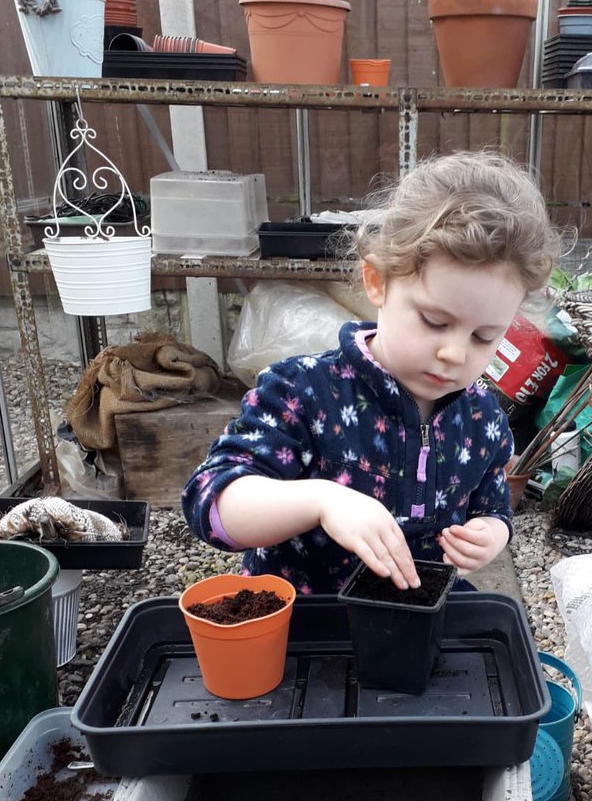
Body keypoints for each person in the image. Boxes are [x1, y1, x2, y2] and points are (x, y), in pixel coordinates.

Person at [182, 150, 560, 595]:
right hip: (306, 618)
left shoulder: (483, 419)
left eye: (484, 336)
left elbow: (492, 505)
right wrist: (321, 501)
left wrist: (491, 534)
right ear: (378, 281)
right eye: (434, 321)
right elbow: (211, 504)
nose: (454, 354)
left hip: (419, 615)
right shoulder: (302, 393)